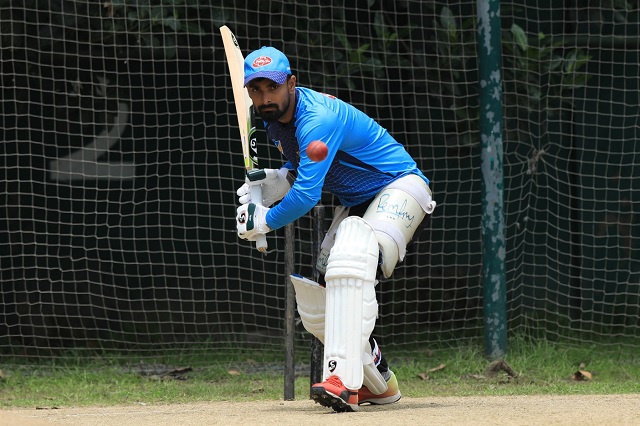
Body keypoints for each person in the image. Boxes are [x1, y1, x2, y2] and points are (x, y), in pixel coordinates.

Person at [235, 46, 436, 413]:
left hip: (400, 186)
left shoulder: (317, 118)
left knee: (351, 260)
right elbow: (308, 168)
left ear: (291, 84)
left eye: (273, 88)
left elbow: (307, 196)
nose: (265, 98)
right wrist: (278, 180)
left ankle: (341, 381)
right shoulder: (274, 120)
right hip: (358, 200)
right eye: (256, 90)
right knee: (323, 302)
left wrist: (263, 220)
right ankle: (378, 382)